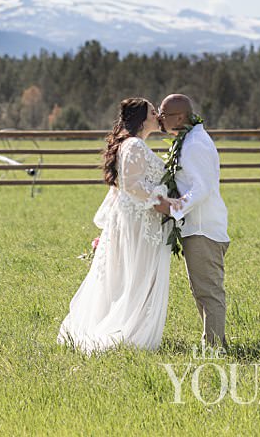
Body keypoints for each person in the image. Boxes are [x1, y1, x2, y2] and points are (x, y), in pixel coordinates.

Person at [57, 98, 179, 352]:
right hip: (139, 222)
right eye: (153, 111)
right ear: (142, 119)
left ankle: (131, 327)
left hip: (136, 219)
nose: (158, 115)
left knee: (131, 275)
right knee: (136, 275)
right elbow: (132, 185)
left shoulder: (134, 144)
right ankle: (127, 332)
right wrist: (164, 201)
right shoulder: (134, 144)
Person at [159, 93, 230, 351]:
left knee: (208, 291)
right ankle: (214, 342)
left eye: (163, 115)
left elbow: (202, 188)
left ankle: (213, 347)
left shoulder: (196, 144)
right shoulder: (189, 139)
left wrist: (171, 207)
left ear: (180, 117)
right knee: (201, 290)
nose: (159, 119)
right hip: (196, 227)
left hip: (203, 228)